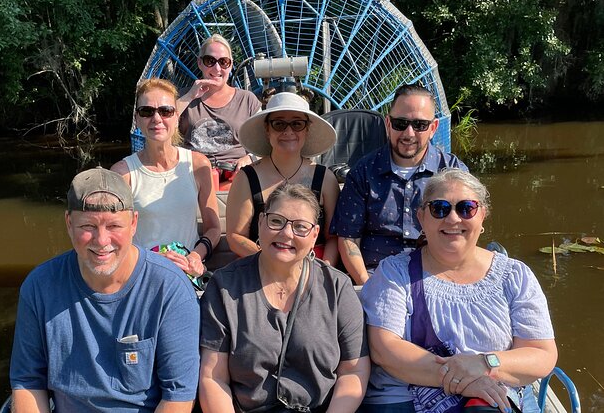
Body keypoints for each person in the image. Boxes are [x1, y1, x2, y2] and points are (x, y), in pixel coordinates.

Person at [358, 168, 557, 412]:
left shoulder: (515, 276)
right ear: (421, 218)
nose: (453, 219)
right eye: (439, 208)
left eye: (466, 208)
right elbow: (384, 349)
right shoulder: (394, 273)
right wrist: (462, 379)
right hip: (404, 399)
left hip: (494, 396)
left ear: (482, 215)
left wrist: (484, 364)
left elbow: (541, 354)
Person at [9, 167, 200, 412]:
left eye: (113, 226)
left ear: (133, 223)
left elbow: (178, 396)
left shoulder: (170, 288)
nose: (101, 241)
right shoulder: (39, 286)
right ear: (69, 223)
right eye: (87, 226)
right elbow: (28, 382)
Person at [199, 183, 370, 412]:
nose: (286, 234)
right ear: (260, 223)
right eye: (276, 221)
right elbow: (214, 378)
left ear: (314, 235)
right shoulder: (224, 287)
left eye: (300, 227)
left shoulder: (337, 287)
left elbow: (353, 371)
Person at [330, 83, 468, 285]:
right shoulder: (363, 172)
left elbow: (466, 231)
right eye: (400, 123)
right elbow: (348, 238)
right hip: (376, 276)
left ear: (433, 128)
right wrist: (367, 284)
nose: (409, 133)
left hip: (435, 275)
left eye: (420, 125)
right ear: (388, 123)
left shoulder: (453, 171)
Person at [111, 78, 220, 280]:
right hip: (142, 273)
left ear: (176, 116)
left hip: (186, 273)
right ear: (137, 119)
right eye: (147, 111)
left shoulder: (198, 165)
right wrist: (151, 259)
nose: (157, 118)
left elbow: (213, 228)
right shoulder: (122, 173)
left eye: (165, 111)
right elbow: (115, 235)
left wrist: (196, 256)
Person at [226, 91, 340, 264]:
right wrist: (272, 261)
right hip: (259, 267)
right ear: (267, 129)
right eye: (279, 124)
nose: (288, 131)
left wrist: (323, 270)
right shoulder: (246, 178)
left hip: (314, 266)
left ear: (307, 129)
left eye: (297, 124)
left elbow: (332, 237)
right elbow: (235, 236)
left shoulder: (325, 179)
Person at [177, 34, 262, 175]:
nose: (217, 68)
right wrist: (189, 96)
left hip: (236, 175)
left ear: (231, 65)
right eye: (210, 61)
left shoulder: (247, 100)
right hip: (192, 175)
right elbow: (162, 125)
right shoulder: (183, 97)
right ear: (199, 63)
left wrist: (249, 158)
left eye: (223, 62)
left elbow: (265, 143)